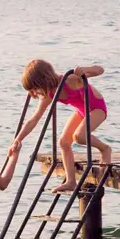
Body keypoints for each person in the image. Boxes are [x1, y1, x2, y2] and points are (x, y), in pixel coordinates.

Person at [10, 59, 110, 193]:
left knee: (79, 136)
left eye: (35, 89)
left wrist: (85, 70)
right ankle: (71, 182)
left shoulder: (71, 79)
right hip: (81, 111)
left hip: (96, 108)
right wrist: (18, 139)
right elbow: (34, 119)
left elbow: (100, 70)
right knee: (63, 142)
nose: (34, 94)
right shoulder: (49, 94)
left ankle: (104, 149)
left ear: (43, 81)